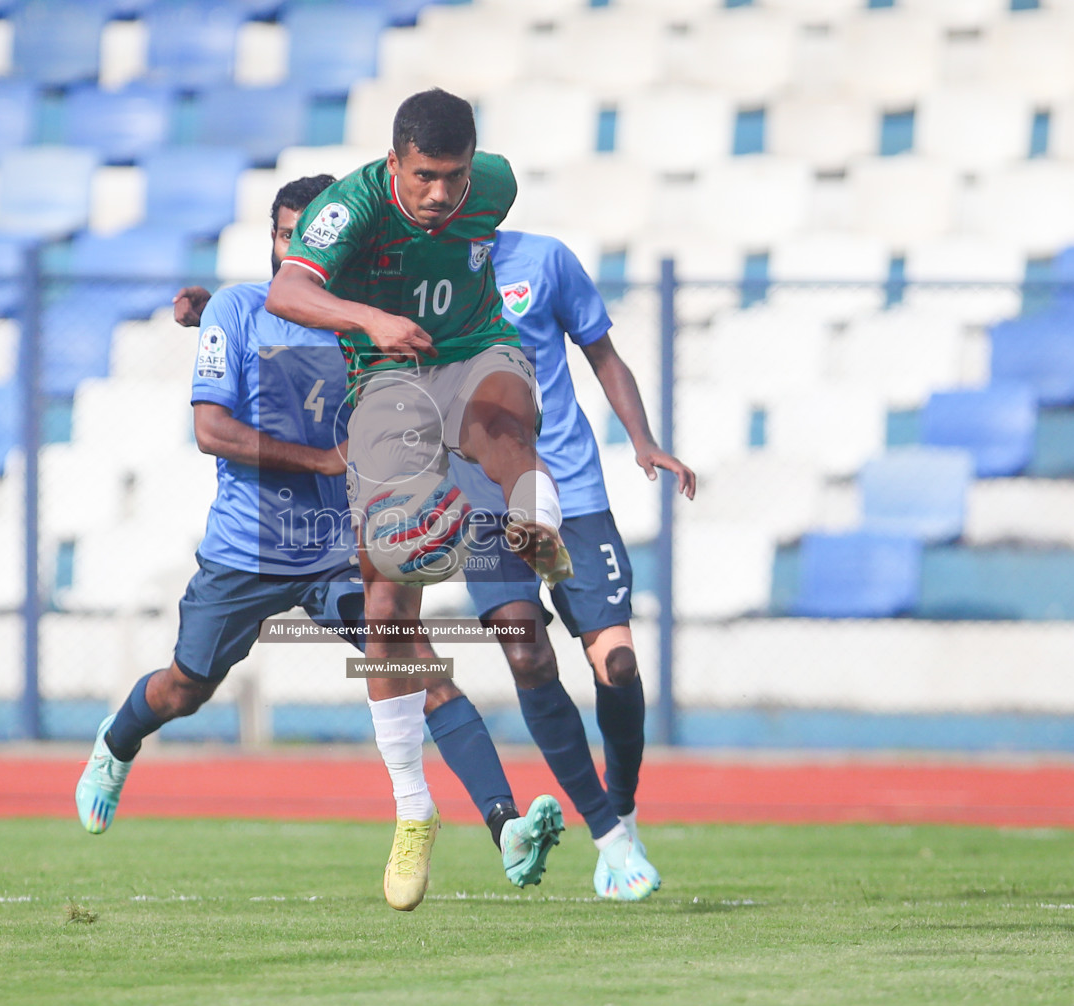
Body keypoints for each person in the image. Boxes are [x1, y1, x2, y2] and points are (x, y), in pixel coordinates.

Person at [74, 176, 563, 913]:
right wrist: (327, 460)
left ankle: (506, 826)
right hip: (249, 550)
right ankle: (117, 741)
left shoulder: (368, 323)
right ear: (274, 242)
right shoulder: (238, 310)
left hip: (343, 550)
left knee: (422, 670)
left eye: (310, 236)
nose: (297, 248)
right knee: (186, 685)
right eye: (285, 235)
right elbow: (212, 431)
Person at [263, 88, 573, 908]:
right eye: (427, 176)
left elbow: (482, 235)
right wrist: (372, 321)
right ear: (395, 161)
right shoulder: (351, 206)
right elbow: (286, 295)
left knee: (504, 415)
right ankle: (412, 811)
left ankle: (535, 513)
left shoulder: (496, 185)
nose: (443, 195)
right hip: (389, 379)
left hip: (475, 351)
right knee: (389, 598)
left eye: (456, 177)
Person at [452, 229, 697, 900]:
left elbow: (603, 353)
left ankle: (623, 808)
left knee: (616, 662)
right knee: (528, 658)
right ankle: (611, 842)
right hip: (483, 503)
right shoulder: (415, 272)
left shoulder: (544, 259)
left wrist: (643, 441)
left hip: (574, 491)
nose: (448, 194)